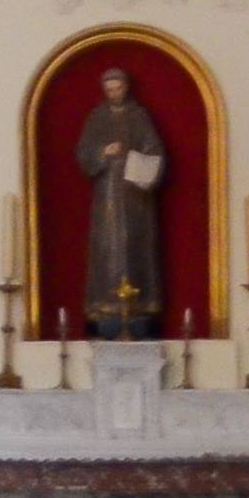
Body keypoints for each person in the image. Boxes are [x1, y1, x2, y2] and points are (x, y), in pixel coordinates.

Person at [76, 72, 167, 339]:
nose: (114, 93)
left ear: (126, 87)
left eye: (118, 88)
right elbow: (83, 155)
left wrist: (132, 156)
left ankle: (139, 308)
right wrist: (103, 152)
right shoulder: (97, 118)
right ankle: (105, 309)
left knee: (134, 247)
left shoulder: (139, 116)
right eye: (110, 89)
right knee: (108, 249)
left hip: (135, 197)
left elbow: (155, 151)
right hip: (107, 197)